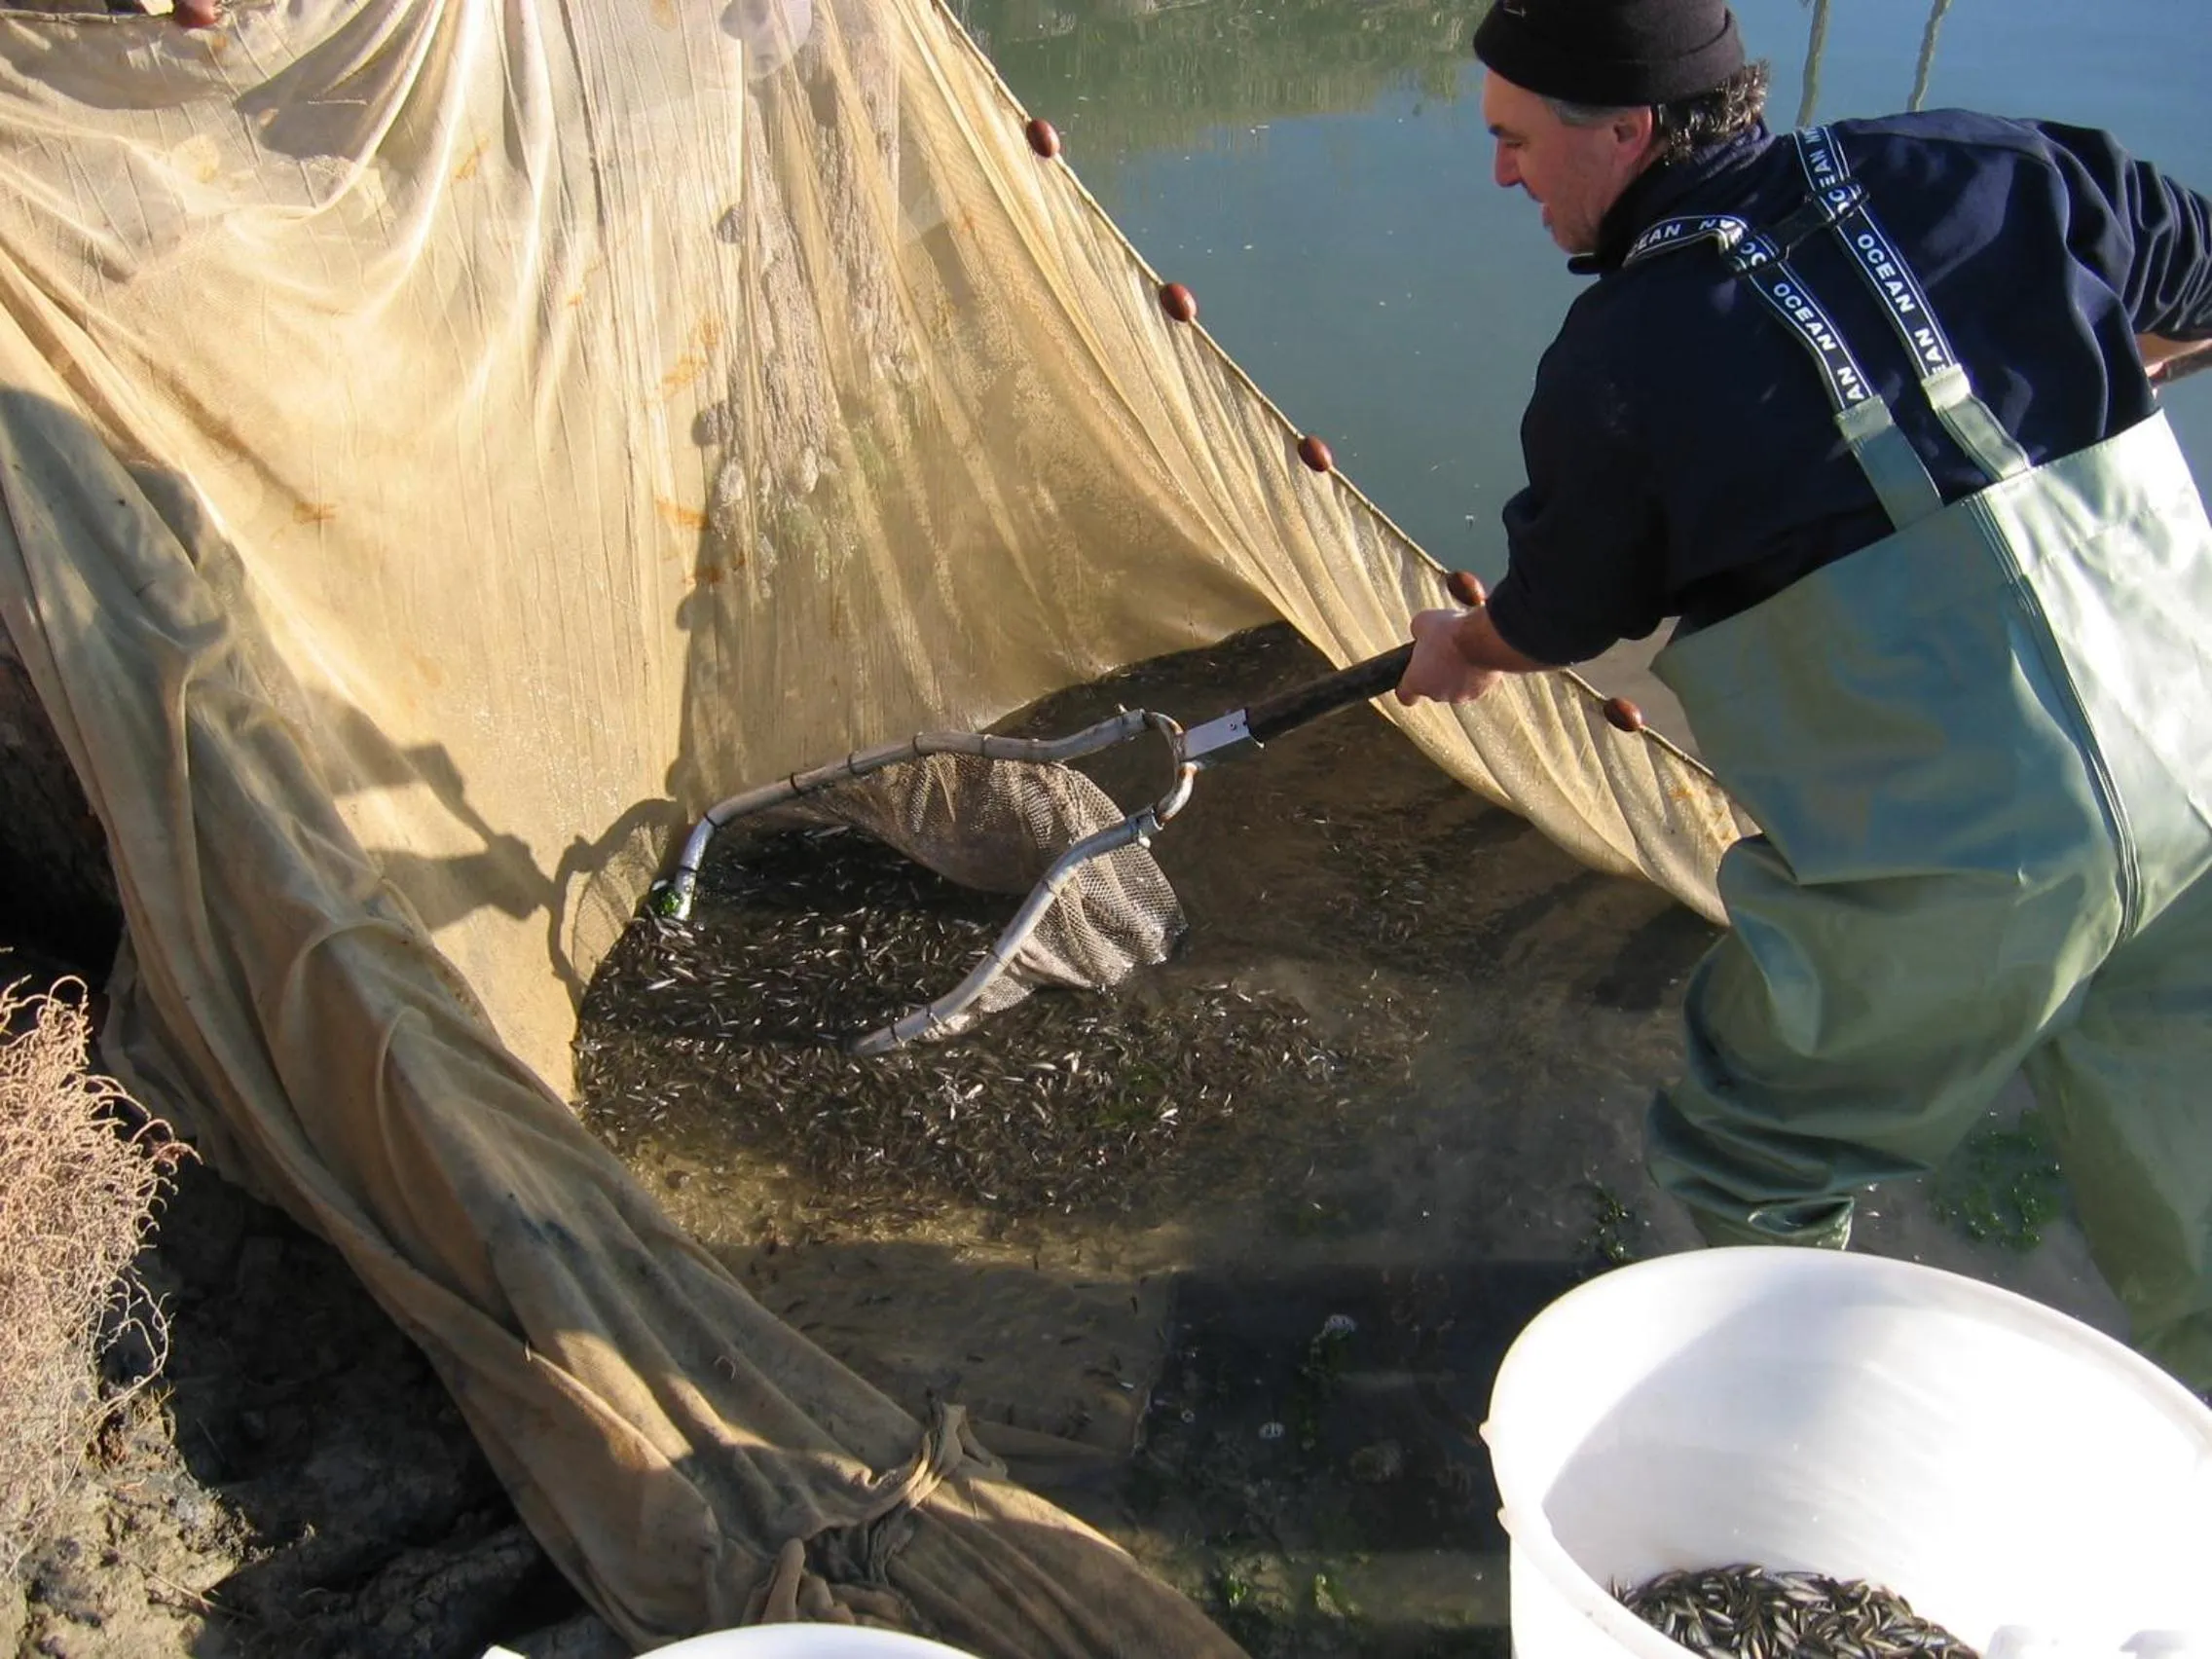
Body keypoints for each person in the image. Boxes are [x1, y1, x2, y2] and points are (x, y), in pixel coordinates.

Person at [1393, 0, 2212, 1387]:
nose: (1502, 176)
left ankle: (1791, 1431)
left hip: (1961, 865)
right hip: (2196, 760)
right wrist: (2112, 373)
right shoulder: (1987, 165)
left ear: (1629, 132)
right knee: (2198, 1175)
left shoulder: (1615, 362)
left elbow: (1572, 609)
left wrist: (1465, 650)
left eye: (1517, 140)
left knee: (1753, 1140)